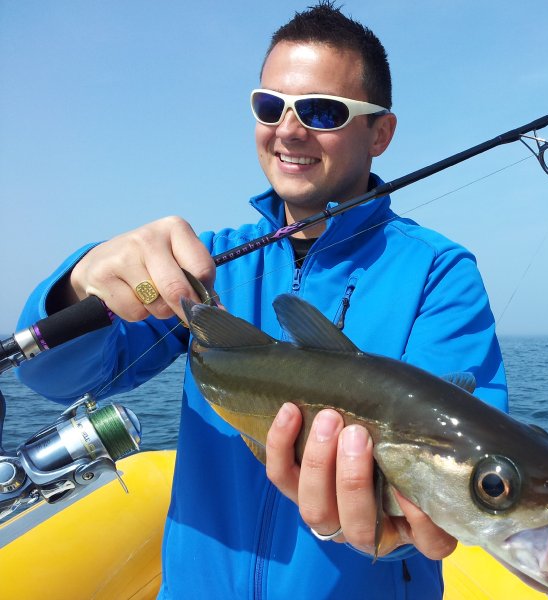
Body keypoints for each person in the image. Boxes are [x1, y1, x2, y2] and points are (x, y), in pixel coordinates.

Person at [16, 3, 507, 598]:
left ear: (380, 132)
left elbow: (458, 458)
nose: (289, 130)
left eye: (322, 111)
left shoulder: (437, 273)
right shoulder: (201, 268)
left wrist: (400, 528)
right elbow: (54, 378)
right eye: (271, 107)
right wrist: (79, 282)